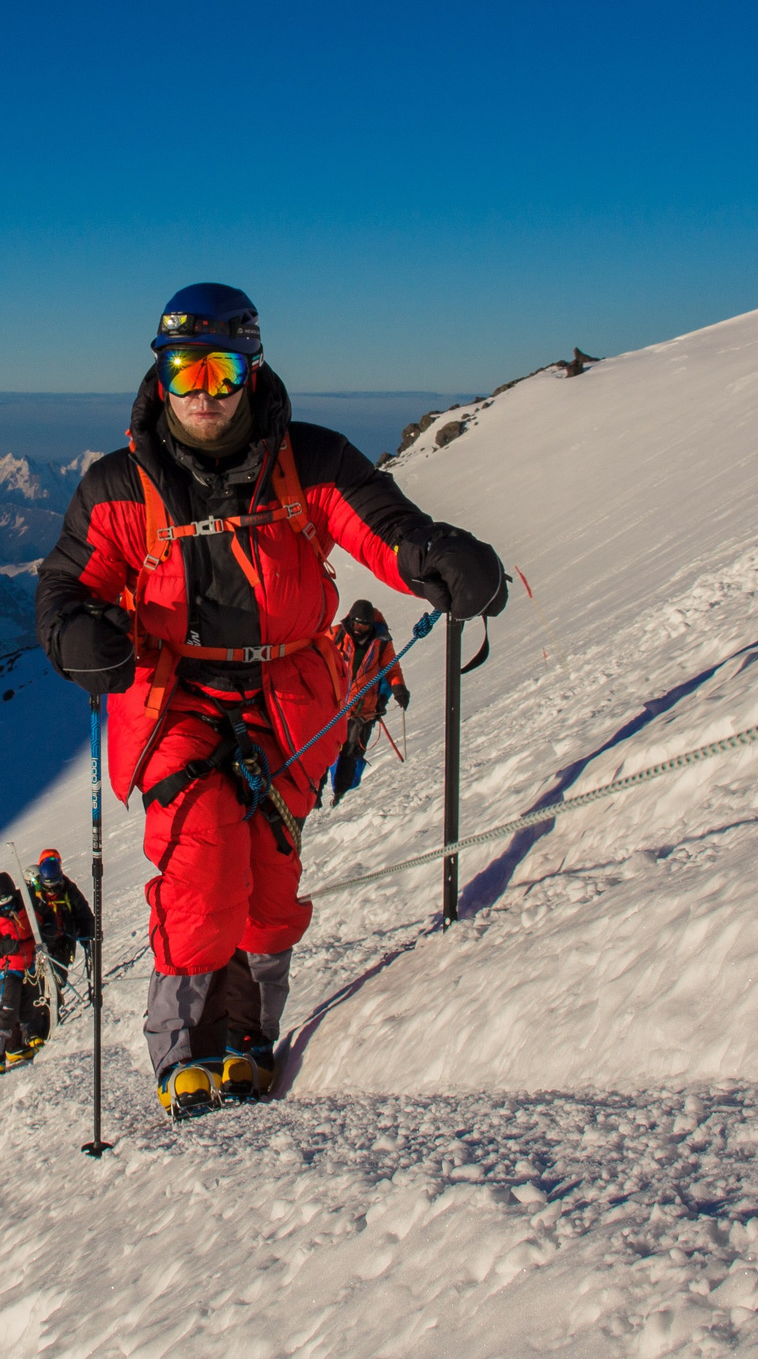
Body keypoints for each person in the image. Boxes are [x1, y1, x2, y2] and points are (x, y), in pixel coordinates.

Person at [35, 282, 505, 1118]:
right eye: (186, 370)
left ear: (253, 368)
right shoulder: (119, 486)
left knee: (268, 876)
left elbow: (379, 525)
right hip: (173, 695)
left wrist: (434, 556)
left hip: (285, 698)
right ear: (162, 374)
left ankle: (249, 1035)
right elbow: (71, 582)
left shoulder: (310, 461)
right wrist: (75, 634)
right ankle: (184, 1046)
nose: (204, 391)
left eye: (222, 369)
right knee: (199, 847)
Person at [330, 599, 411, 800]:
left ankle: (341, 792)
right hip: (334, 706)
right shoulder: (337, 634)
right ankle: (317, 795)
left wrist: (399, 688)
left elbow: (392, 668)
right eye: (357, 625)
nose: (360, 630)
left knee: (350, 750)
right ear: (351, 621)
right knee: (325, 748)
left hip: (361, 709)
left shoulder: (381, 642)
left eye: (364, 625)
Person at [0, 871, 49, 1074]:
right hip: (7, 969)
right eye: (0, 901)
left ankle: (29, 1037)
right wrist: (1, 948)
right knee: (6, 1010)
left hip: (29, 964)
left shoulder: (25, 902)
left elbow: (45, 918)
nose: (5, 904)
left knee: (29, 1004)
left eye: (7, 898)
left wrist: (48, 933)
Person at [25, 848, 97, 1003]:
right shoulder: (33, 891)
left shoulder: (68, 890)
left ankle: (53, 1004)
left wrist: (87, 933)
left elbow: (82, 912)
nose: (51, 890)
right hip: (39, 943)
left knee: (58, 978)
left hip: (62, 941)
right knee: (35, 981)